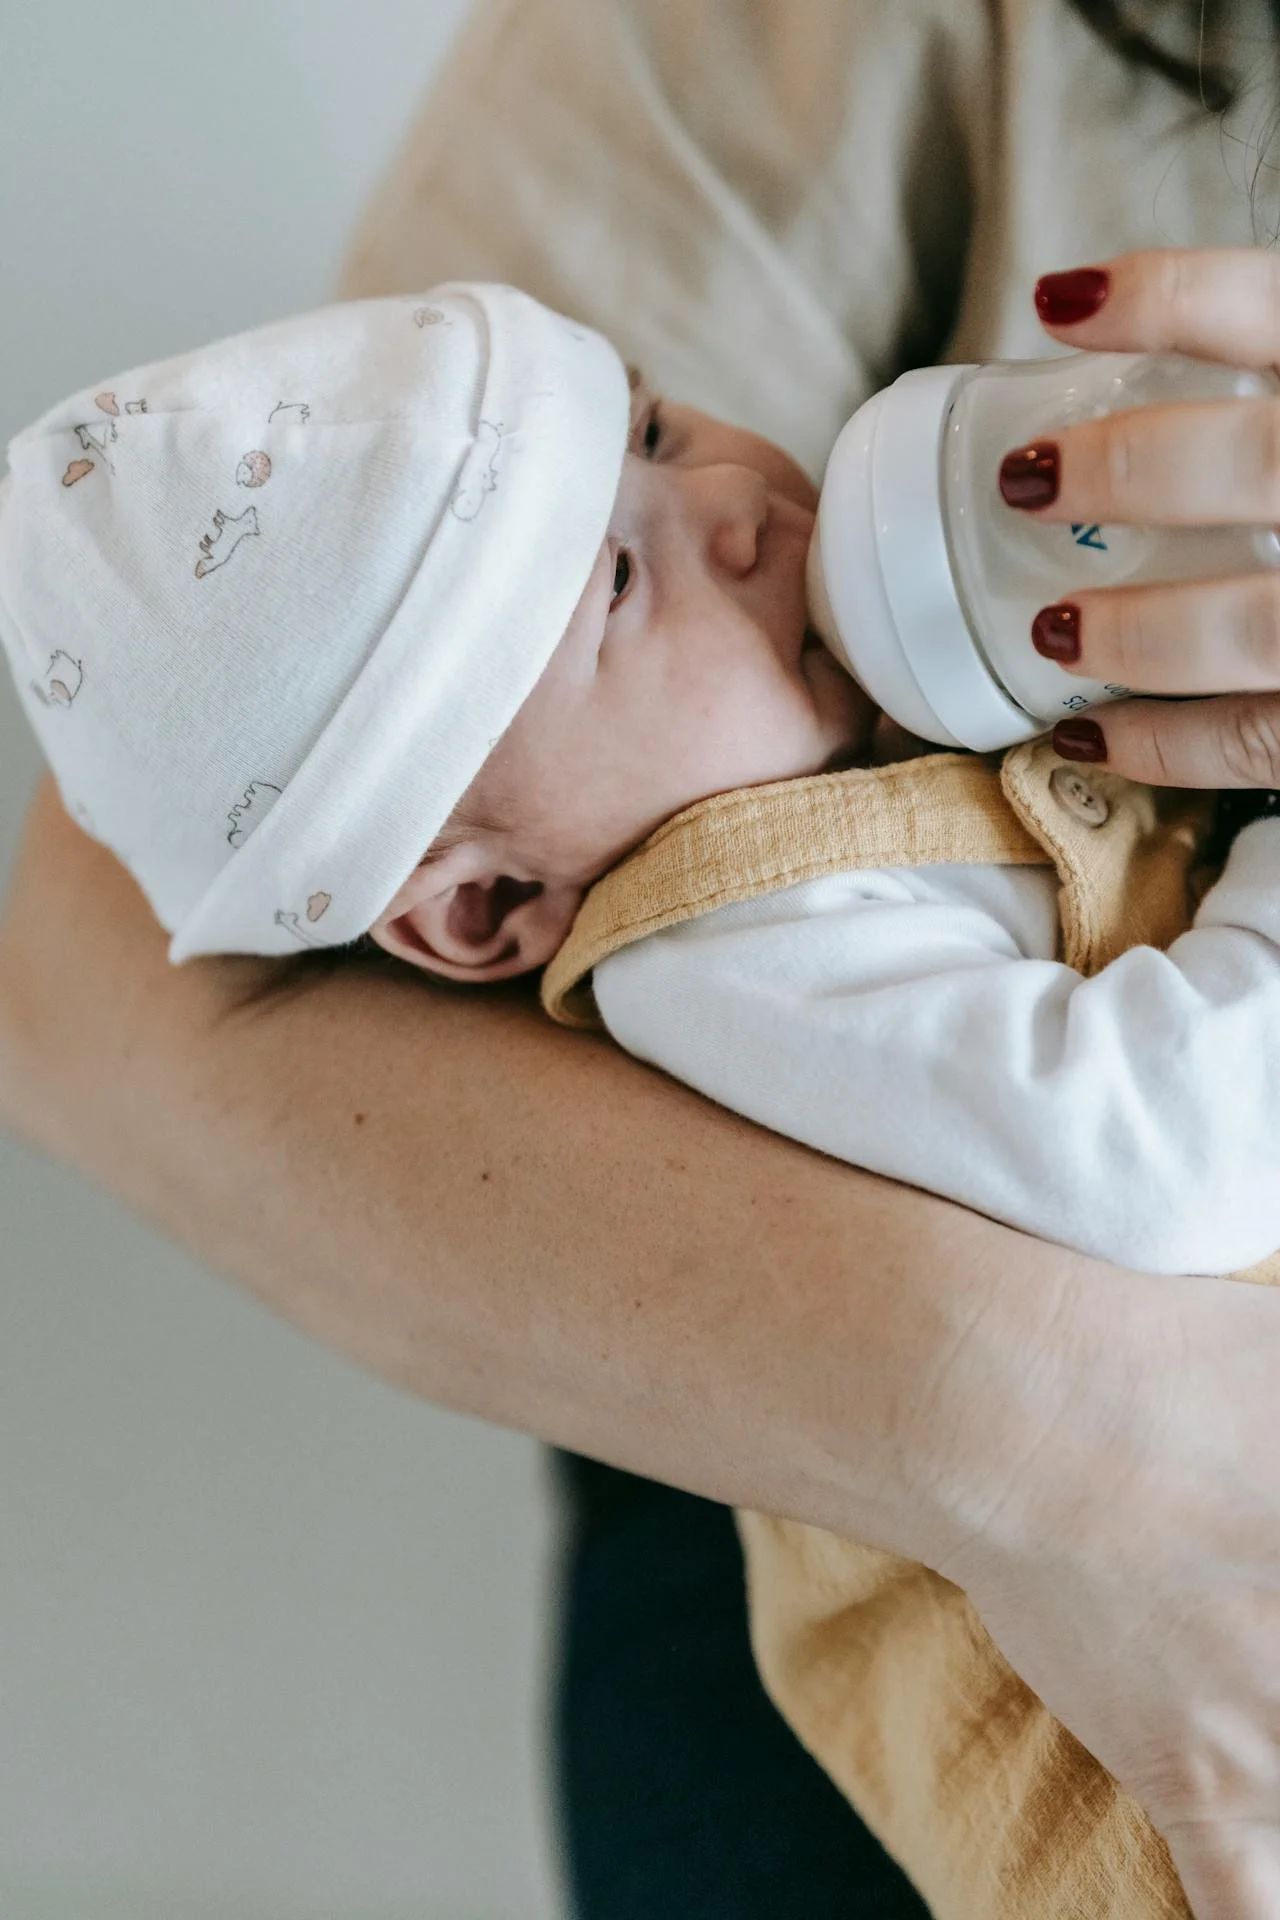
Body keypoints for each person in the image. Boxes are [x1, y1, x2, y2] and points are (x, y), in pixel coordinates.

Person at [6, 2, 1280, 1914]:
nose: (746, 510)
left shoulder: (834, 786)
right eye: (611, 578)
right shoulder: (721, 944)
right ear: (479, 909)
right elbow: (1157, 1144)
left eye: (661, 424)